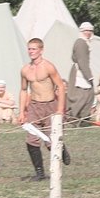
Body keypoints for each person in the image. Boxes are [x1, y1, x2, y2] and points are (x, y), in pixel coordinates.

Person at [19, 38, 70, 181]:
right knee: (31, 140)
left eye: (34, 49)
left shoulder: (48, 67)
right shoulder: (25, 70)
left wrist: (60, 110)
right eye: (29, 49)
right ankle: (39, 173)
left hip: (50, 106)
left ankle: (62, 152)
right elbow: (23, 90)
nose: (31, 52)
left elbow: (60, 86)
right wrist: (22, 111)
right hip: (34, 107)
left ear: (41, 50)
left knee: (50, 141)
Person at [66, 21, 96, 125]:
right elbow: (82, 61)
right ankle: (74, 117)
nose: (88, 32)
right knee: (81, 95)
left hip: (81, 71)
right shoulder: (81, 43)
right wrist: (89, 76)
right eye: (86, 30)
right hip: (80, 72)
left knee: (87, 95)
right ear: (82, 31)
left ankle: (83, 117)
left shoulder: (84, 42)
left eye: (89, 31)